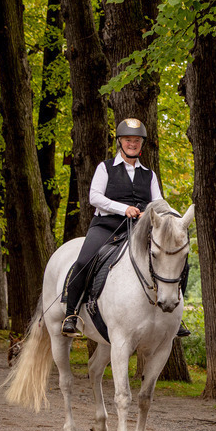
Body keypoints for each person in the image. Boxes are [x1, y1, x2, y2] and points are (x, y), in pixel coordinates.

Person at [62, 118, 190, 338]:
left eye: (137, 140)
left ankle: (175, 317)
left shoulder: (149, 174)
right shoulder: (105, 168)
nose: (133, 144)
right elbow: (94, 197)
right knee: (83, 261)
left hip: (140, 228)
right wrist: (123, 209)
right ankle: (71, 313)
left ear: (142, 144)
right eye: (128, 140)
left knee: (177, 259)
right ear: (120, 142)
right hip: (107, 225)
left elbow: (158, 202)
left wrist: (172, 215)